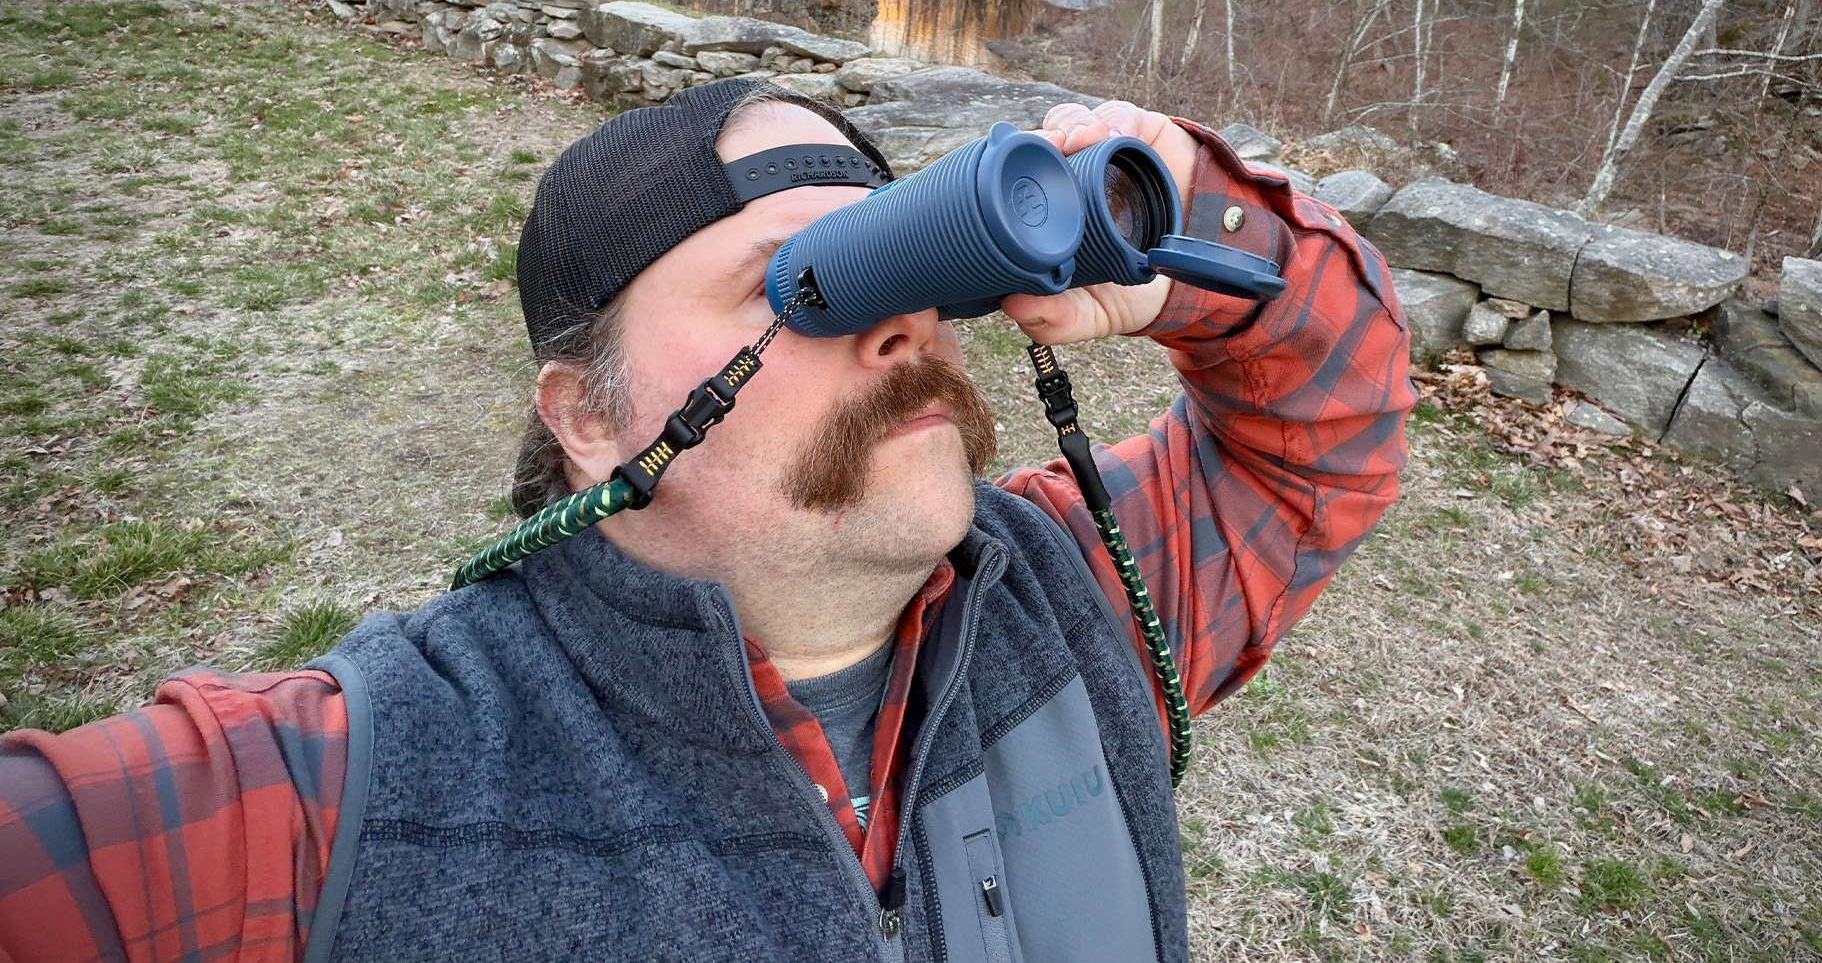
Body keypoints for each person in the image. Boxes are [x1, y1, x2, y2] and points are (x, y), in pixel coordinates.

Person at [0, 79, 1412, 963]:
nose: (903, 319)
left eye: (904, 257)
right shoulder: (350, 791)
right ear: (594, 415)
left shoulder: (1083, 590)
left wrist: (1197, 243)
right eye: (799, 284)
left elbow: (1325, 435)